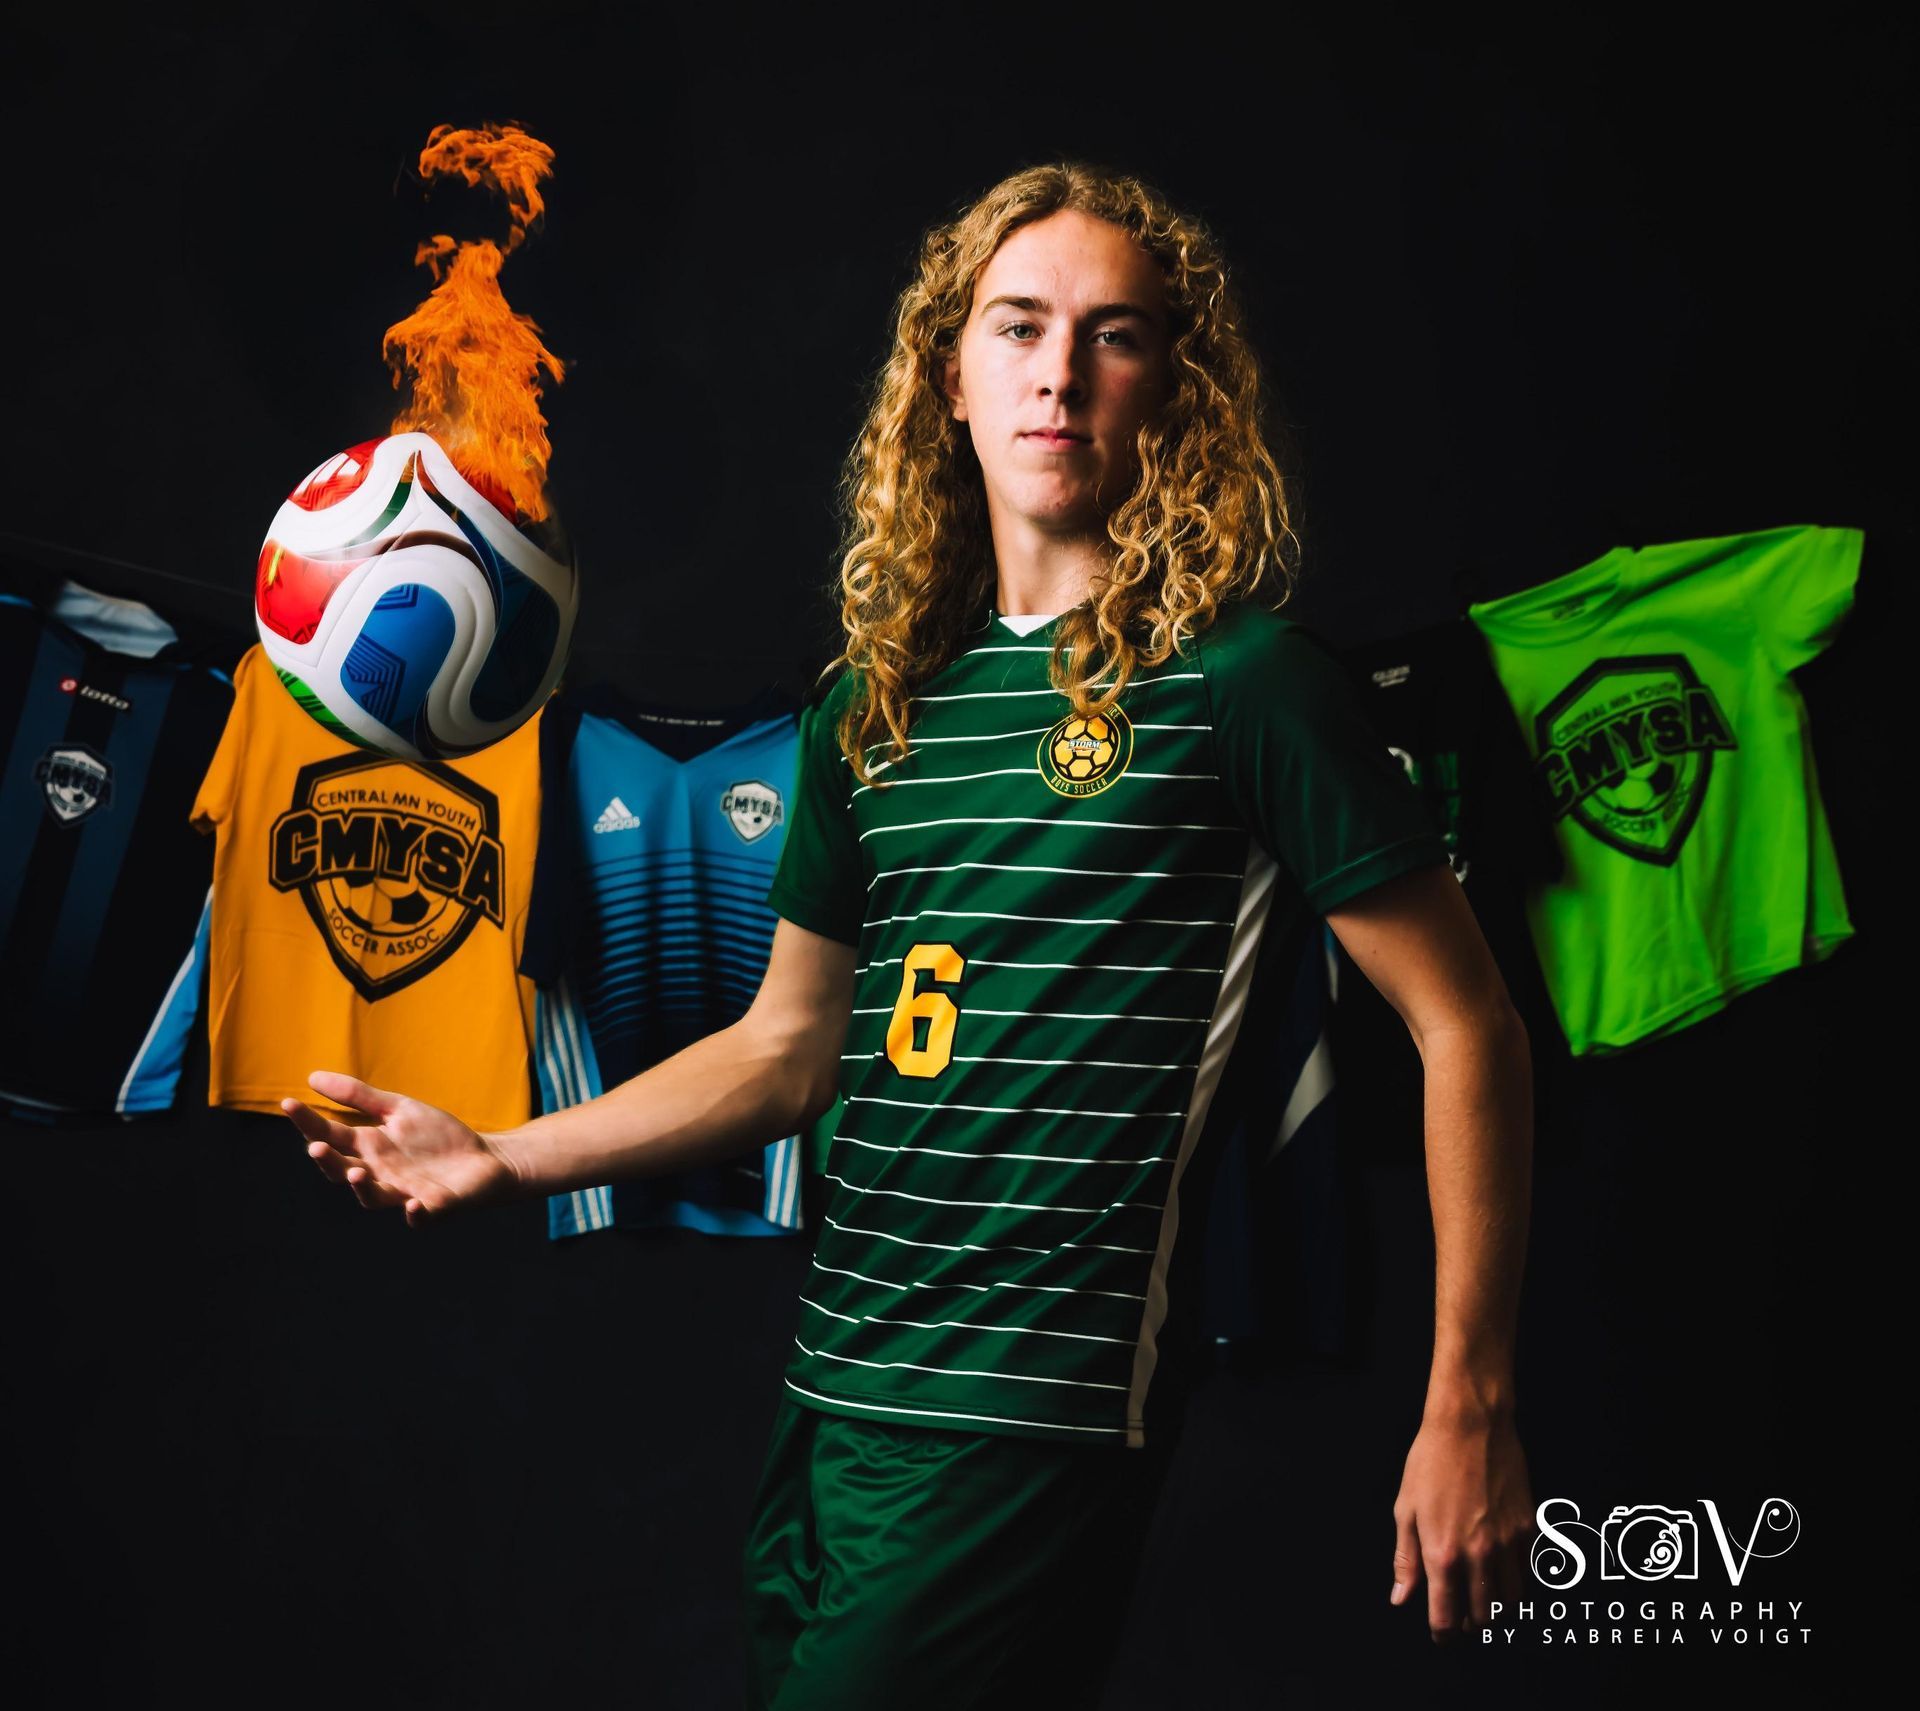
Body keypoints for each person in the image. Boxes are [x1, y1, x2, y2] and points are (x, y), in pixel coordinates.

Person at [284, 161, 1536, 1706]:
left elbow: (1465, 1022)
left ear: (1178, 388)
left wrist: (1465, 1399)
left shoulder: (1248, 684)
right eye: (1018, 327)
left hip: (1035, 1411)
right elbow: (784, 1050)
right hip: (833, 1397)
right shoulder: (869, 708)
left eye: (1115, 335)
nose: (1060, 371)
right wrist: (501, 1153)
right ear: (951, 374)